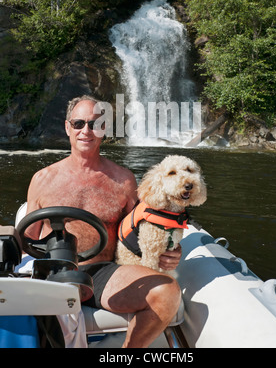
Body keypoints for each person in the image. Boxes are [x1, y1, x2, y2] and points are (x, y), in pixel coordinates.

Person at [25, 95, 182, 348]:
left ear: (105, 129)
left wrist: (172, 250)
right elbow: (27, 241)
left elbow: (145, 228)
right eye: (78, 123)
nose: (86, 130)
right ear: (67, 128)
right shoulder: (42, 179)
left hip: (103, 273)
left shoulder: (124, 180)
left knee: (167, 291)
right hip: (53, 272)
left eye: (94, 124)